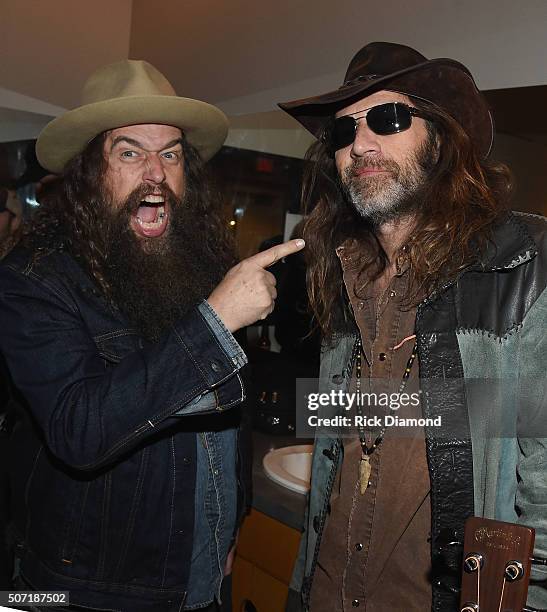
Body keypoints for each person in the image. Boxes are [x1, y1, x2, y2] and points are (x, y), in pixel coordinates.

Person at [0, 59, 304, 611]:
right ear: (90, 171)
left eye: (170, 153)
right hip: (83, 590)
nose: (156, 172)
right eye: (129, 152)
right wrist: (215, 321)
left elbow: (225, 418)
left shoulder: (197, 264)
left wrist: (227, 526)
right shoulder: (35, 279)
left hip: (201, 575)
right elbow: (80, 428)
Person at [279, 42, 547, 611]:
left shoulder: (524, 265)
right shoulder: (340, 273)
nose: (360, 144)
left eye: (388, 118)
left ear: (442, 139)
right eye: (343, 130)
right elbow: (346, 449)